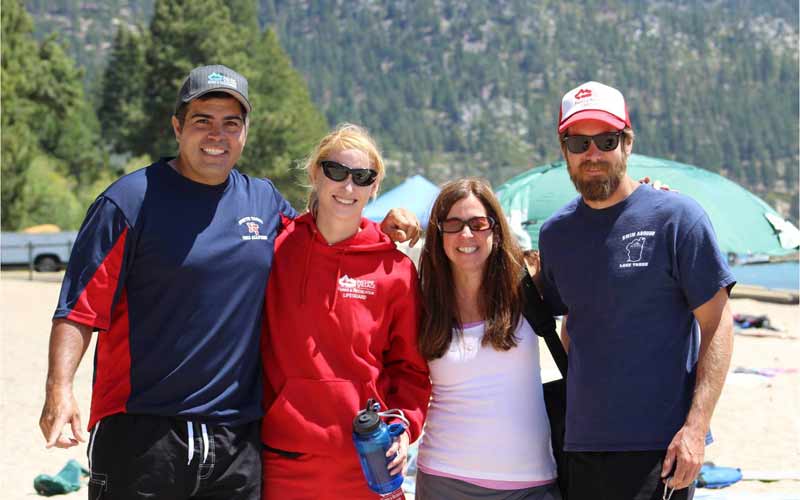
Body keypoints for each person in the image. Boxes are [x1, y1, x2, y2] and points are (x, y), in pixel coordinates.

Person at [39, 65, 421, 500]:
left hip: (236, 439)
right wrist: (59, 389)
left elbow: (326, 235)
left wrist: (379, 228)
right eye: (203, 121)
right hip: (142, 430)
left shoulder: (262, 202)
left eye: (231, 123)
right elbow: (80, 308)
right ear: (177, 126)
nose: (217, 135)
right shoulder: (128, 201)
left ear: (245, 133)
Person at [538, 81, 736, 500]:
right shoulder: (556, 234)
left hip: (660, 449)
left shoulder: (678, 218)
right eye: (579, 142)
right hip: (581, 446)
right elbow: (572, 316)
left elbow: (718, 324)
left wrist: (696, 430)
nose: (592, 154)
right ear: (564, 150)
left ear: (627, 143)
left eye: (606, 140)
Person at [259, 123, 432, 499]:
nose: (347, 186)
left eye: (362, 177)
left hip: (367, 464)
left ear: (374, 188)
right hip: (283, 461)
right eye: (335, 171)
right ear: (315, 174)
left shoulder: (395, 270)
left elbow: (411, 369)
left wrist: (403, 430)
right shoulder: (274, 251)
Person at [415, 178, 561, 500]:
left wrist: (640, 207)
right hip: (444, 481)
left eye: (478, 223)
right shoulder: (422, 303)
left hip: (531, 486)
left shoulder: (527, 290)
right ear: (438, 234)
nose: (466, 235)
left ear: (495, 228)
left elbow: (598, 281)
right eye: (453, 224)